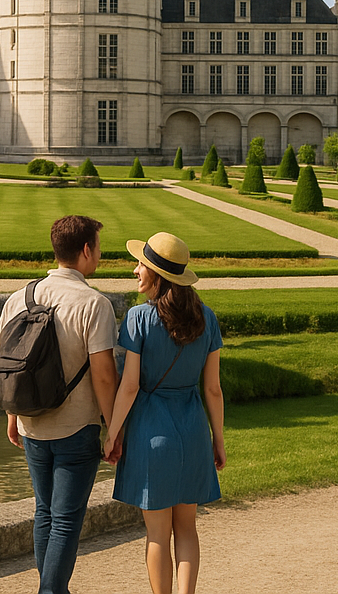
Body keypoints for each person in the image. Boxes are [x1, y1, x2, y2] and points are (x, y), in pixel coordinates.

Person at [0, 215, 119, 594]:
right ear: (85, 250)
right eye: (98, 247)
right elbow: (103, 375)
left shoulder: (20, 296)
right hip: (77, 427)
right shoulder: (94, 304)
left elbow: (6, 360)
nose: (99, 254)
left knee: (44, 513)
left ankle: (52, 588)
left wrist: (13, 414)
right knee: (65, 520)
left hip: (32, 424)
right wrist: (115, 428)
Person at [103, 232, 225, 594]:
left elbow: (128, 386)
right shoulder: (207, 318)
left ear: (158, 275)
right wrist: (218, 439)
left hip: (150, 434)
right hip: (192, 433)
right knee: (187, 528)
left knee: (157, 533)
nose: (135, 269)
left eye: (141, 264)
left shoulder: (138, 318)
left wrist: (112, 434)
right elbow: (213, 389)